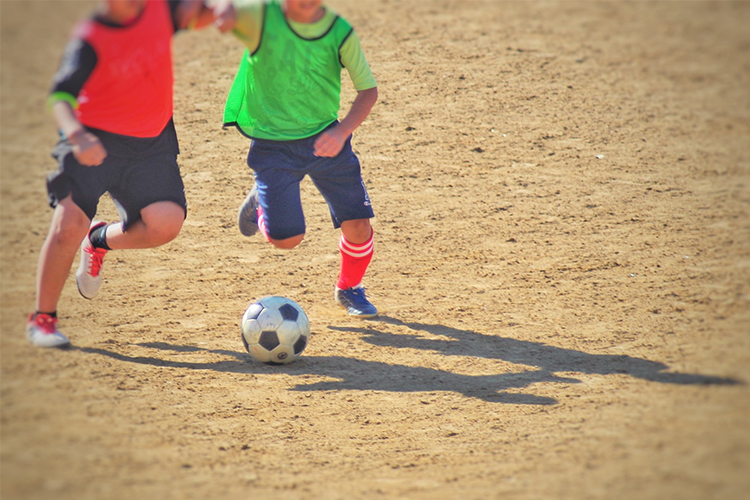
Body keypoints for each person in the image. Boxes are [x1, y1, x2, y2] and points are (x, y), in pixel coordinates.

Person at [26, 0, 219, 348]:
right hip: (92, 141)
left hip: (149, 144)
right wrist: (76, 135)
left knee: (165, 223)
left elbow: (204, 16)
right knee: (69, 224)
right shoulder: (90, 38)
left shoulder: (160, 10)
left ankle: (99, 240)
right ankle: (43, 319)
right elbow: (60, 96)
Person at [218, 0, 380, 318]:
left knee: (359, 227)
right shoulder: (260, 20)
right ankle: (261, 203)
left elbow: (368, 91)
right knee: (287, 239)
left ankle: (349, 289)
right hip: (273, 144)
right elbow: (219, 11)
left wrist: (342, 132)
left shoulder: (339, 32)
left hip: (326, 139)